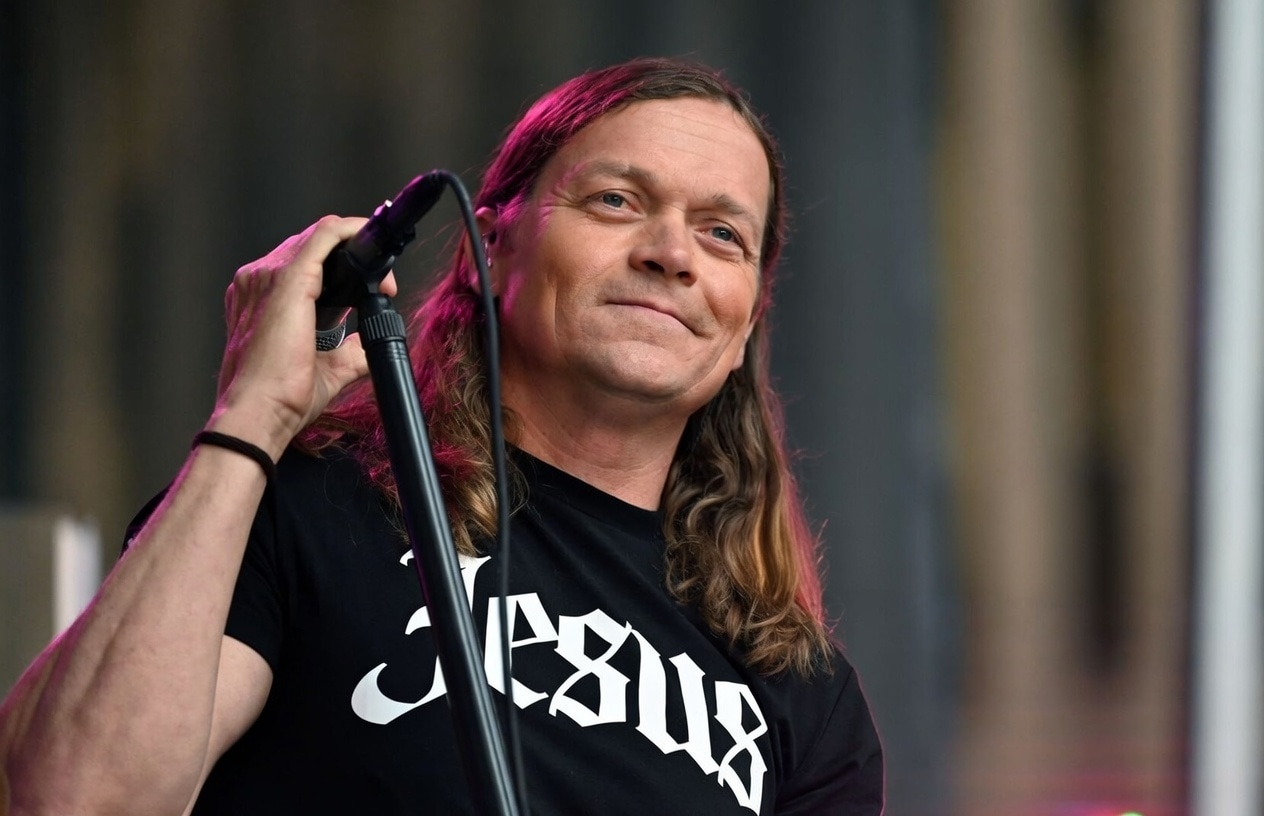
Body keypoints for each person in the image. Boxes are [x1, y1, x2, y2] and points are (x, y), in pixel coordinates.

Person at [0, 57, 883, 814]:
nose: (673, 254)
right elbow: (77, 796)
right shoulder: (304, 510)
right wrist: (251, 419)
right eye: (617, 200)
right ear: (490, 249)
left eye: (722, 234)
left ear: (747, 321)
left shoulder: (801, 691)